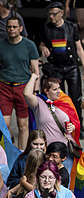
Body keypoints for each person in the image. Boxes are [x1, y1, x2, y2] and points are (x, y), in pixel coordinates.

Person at [40, 2, 84, 128]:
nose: (51, 17)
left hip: (72, 66)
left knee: (76, 99)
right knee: (59, 98)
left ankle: (78, 125)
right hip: (56, 67)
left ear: (61, 13)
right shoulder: (47, 28)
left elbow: (79, 48)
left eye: (54, 14)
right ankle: (62, 123)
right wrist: (43, 48)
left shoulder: (71, 27)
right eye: (50, 14)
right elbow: (41, 43)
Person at [23, 74, 81, 166]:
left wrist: (73, 126)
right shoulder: (39, 103)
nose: (59, 91)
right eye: (55, 89)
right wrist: (33, 77)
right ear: (46, 91)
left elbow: (75, 121)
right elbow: (26, 94)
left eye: (59, 88)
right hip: (47, 153)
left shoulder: (64, 101)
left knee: (65, 179)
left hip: (65, 153)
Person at [0, 16, 39, 149]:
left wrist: (35, 91)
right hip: (4, 86)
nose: (11, 29)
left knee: (23, 125)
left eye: (14, 27)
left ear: (21, 28)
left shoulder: (29, 45)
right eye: (9, 27)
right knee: (4, 125)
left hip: (23, 87)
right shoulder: (1, 44)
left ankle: (22, 154)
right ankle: (9, 154)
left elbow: (35, 71)